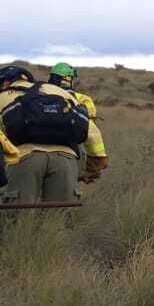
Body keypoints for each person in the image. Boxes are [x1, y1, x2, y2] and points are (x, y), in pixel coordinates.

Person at [0, 65, 102, 204]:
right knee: (60, 214)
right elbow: (91, 131)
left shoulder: (4, 96)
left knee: (18, 214)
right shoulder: (58, 92)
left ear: (5, 82)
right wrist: (96, 163)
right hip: (66, 159)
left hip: (23, 159)